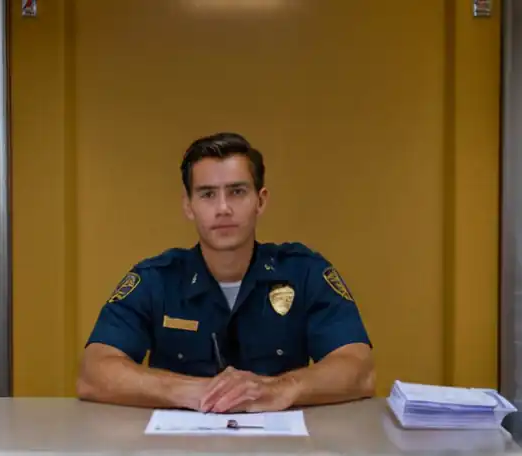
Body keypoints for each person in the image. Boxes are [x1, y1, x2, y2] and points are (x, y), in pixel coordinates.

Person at [77, 132, 375, 413]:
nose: (223, 208)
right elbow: (94, 371)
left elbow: (358, 368)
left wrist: (281, 388)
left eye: (237, 191)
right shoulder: (156, 279)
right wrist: (193, 391)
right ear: (188, 206)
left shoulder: (305, 272)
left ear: (260, 200)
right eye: (207, 194)